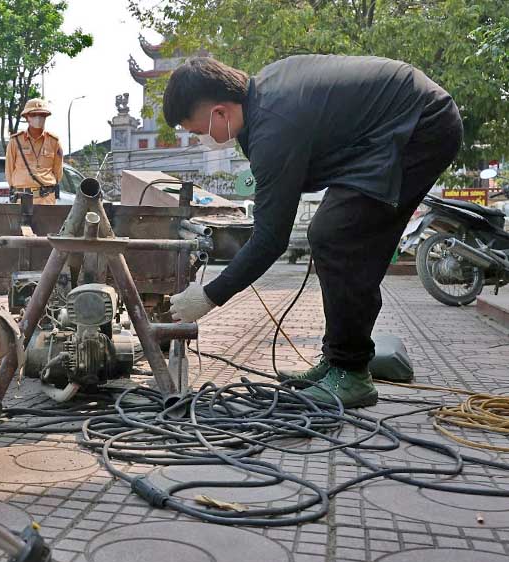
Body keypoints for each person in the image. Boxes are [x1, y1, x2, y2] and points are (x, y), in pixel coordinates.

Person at [164, 55, 463, 408]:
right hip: (386, 129)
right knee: (334, 235)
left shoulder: (274, 125)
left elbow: (270, 239)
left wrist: (209, 295)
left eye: (198, 132)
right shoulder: (264, 100)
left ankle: (350, 372)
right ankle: (338, 361)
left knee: (337, 237)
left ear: (220, 112)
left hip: (421, 124)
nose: (203, 140)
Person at [5, 98, 64, 205]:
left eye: (42, 115)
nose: (38, 118)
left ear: (46, 117)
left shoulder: (54, 142)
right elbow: (9, 171)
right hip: (21, 198)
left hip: (46, 199)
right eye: (33, 115)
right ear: (27, 117)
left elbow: (58, 173)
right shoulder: (15, 141)